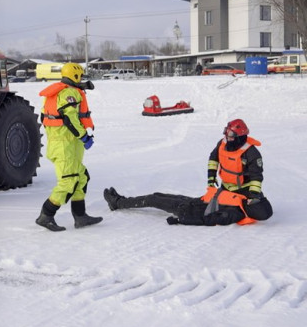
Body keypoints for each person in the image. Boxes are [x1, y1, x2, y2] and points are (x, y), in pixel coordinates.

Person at [104, 119, 273, 226]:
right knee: (157, 196)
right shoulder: (223, 145)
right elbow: (213, 159)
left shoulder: (236, 212)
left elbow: (208, 219)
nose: (226, 136)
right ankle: (119, 202)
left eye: (230, 134)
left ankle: (118, 203)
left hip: (191, 210)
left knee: (155, 199)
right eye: (226, 133)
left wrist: (181, 220)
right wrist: (211, 180)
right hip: (211, 197)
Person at [35, 63, 102, 231]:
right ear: (75, 76)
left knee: (81, 177)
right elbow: (70, 119)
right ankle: (46, 215)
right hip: (64, 144)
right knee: (68, 181)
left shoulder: (68, 90)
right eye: (81, 76)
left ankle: (80, 216)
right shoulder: (67, 93)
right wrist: (84, 136)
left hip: (70, 142)